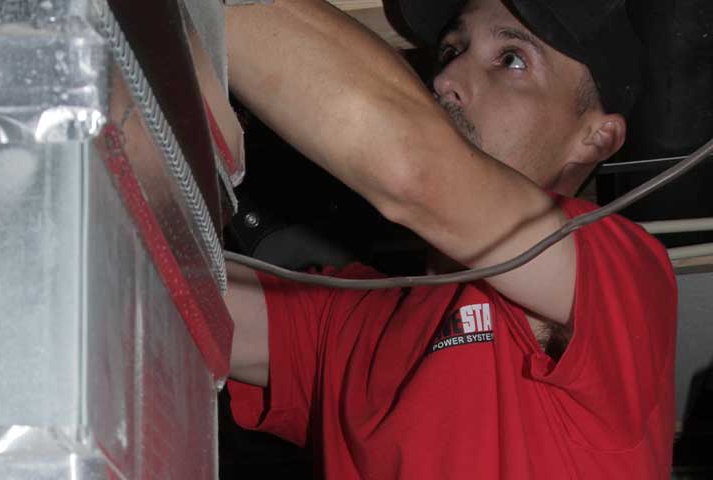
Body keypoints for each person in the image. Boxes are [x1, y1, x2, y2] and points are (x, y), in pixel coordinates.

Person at [222, 0, 678, 478]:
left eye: (511, 60)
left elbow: (418, 169)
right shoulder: (349, 320)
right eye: (450, 50)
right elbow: (177, 295)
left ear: (597, 137)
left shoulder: (620, 273)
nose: (445, 80)